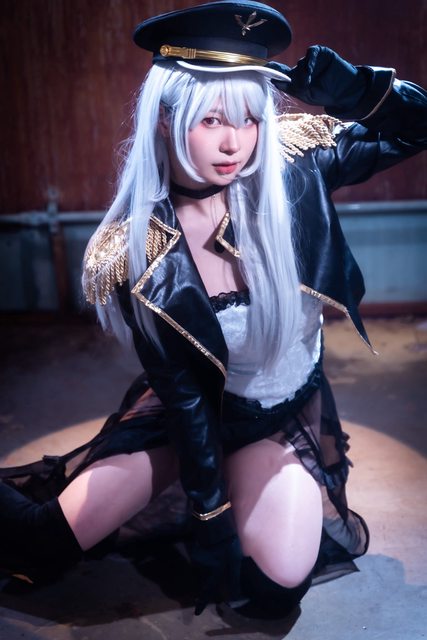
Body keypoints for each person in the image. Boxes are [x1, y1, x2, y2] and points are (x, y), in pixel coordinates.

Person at [1, 0, 426, 620]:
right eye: (211, 120)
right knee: (42, 546)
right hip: (194, 417)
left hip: (276, 415)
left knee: (276, 587)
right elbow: (186, 398)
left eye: (250, 119)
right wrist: (210, 512)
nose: (235, 143)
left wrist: (358, 91)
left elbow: (417, 127)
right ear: (165, 120)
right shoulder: (137, 251)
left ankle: (244, 476)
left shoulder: (296, 166)